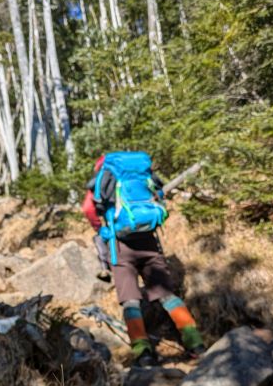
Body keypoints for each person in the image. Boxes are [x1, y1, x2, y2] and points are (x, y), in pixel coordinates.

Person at [82, 153, 205, 368]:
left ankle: (144, 353)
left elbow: (88, 209)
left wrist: (100, 227)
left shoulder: (105, 176)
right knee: (167, 295)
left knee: (130, 300)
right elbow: (158, 194)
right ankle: (196, 345)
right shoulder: (141, 173)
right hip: (148, 240)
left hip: (120, 246)